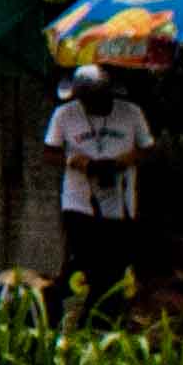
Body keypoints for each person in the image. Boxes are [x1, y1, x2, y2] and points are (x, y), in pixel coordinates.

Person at [46, 65, 156, 300]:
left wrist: (123, 161)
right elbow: (49, 152)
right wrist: (76, 161)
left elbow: (148, 149)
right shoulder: (64, 114)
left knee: (115, 268)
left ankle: (109, 318)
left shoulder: (131, 112)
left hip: (120, 202)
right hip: (79, 203)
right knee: (82, 265)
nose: (89, 105)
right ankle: (79, 315)